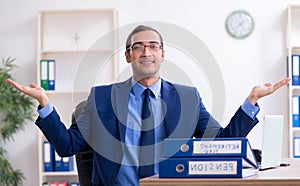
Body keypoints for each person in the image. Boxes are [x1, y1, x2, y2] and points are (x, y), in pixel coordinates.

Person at [6, 25, 289, 186]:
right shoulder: (101, 97)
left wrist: (250, 102)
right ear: (128, 56)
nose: (146, 51)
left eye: (153, 46)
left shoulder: (187, 98)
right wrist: (45, 104)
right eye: (138, 47)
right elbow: (68, 146)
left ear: (163, 54)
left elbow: (224, 143)